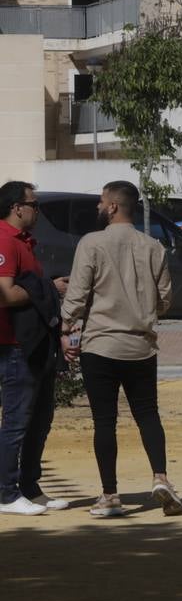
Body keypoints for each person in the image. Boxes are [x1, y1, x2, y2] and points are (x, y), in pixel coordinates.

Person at [60, 181, 180, 518]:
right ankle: (161, 477)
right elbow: (165, 300)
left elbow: (78, 294)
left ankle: (110, 495)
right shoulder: (153, 246)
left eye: (101, 201)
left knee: (104, 421)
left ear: (113, 206)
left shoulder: (92, 243)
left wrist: (66, 326)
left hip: (100, 344)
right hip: (141, 345)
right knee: (147, 414)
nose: (98, 207)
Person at [0, 181, 71, 516]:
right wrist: (49, 288)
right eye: (34, 204)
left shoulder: (26, 242)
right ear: (17, 207)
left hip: (36, 344)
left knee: (40, 420)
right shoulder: (4, 239)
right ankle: (6, 493)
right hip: (15, 345)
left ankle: (29, 486)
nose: (37, 210)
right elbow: (6, 294)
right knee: (17, 421)